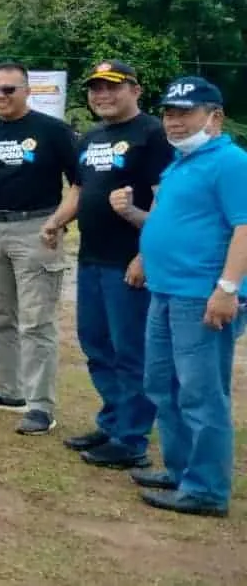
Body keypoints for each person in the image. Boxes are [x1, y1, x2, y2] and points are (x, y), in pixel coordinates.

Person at [126, 76, 247, 517]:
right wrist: (143, 258)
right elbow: (165, 217)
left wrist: (228, 288)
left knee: (202, 392)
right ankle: (181, 470)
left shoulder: (231, 162)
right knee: (163, 384)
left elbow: (245, 227)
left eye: (185, 113)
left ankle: (207, 490)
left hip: (202, 295)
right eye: (169, 113)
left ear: (214, 116)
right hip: (166, 289)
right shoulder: (180, 162)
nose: (174, 122)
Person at [48, 62, 170, 469]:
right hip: (91, 258)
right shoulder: (92, 136)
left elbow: (165, 199)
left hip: (129, 262)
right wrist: (56, 222)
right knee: (96, 344)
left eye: (111, 88)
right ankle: (113, 421)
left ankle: (132, 439)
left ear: (135, 89)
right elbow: (81, 190)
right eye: (95, 89)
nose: (102, 95)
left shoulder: (152, 134)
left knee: (130, 350)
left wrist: (145, 255)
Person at [0, 61, 79, 436]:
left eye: (9, 89)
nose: (1, 96)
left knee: (37, 321)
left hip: (37, 228)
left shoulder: (53, 131)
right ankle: (7, 391)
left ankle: (40, 407)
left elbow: (79, 182)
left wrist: (57, 221)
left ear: (27, 90)